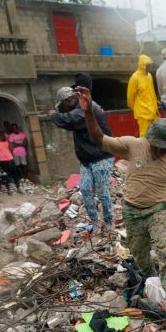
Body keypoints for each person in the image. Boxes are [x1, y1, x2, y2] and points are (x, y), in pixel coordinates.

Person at [75, 86, 166, 318]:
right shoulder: (134, 145)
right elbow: (98, 138)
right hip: (132, 211)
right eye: (155, 145)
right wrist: (88, 112)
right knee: (140, 256)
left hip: (157, 210)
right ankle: (151, 281)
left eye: (163, 147)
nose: (158, 150)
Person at [52, 87, 115, 232]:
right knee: (86, 190)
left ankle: (109, 222)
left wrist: (54, 116)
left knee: (102, 191)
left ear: (68, 101)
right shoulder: (78, 108)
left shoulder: (85, 109)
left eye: (63, 105)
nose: (63, 109)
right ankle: (94, 222)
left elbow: (69, 120)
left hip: (101, 156)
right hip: (87, 160)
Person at [127, 54, 159, 137]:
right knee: (144, 136)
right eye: (149, 65)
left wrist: (155, 106)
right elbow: (130, 96)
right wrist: (135, 108)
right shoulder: (134, 78)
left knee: (156, 135)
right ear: (143, 66)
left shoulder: (149, 76)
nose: (151, 67)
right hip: (142, 113)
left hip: (153, 111)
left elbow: (152, 93)